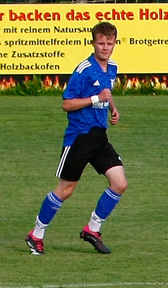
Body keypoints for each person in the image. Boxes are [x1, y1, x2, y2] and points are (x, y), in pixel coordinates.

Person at [24, 22, 126, 256]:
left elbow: (106, 92)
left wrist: (112, 108)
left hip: (99, 137)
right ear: (93, 43)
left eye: (109, 43)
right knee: (66, 189)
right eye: (101, 43)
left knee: (120, 183)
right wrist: (94, 98)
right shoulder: (83, 70)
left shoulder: (112, 67)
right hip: (79, 137)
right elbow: (67, 104)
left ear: (114, 44)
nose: (105, 47)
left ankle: (93, 229)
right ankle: (36, 234)